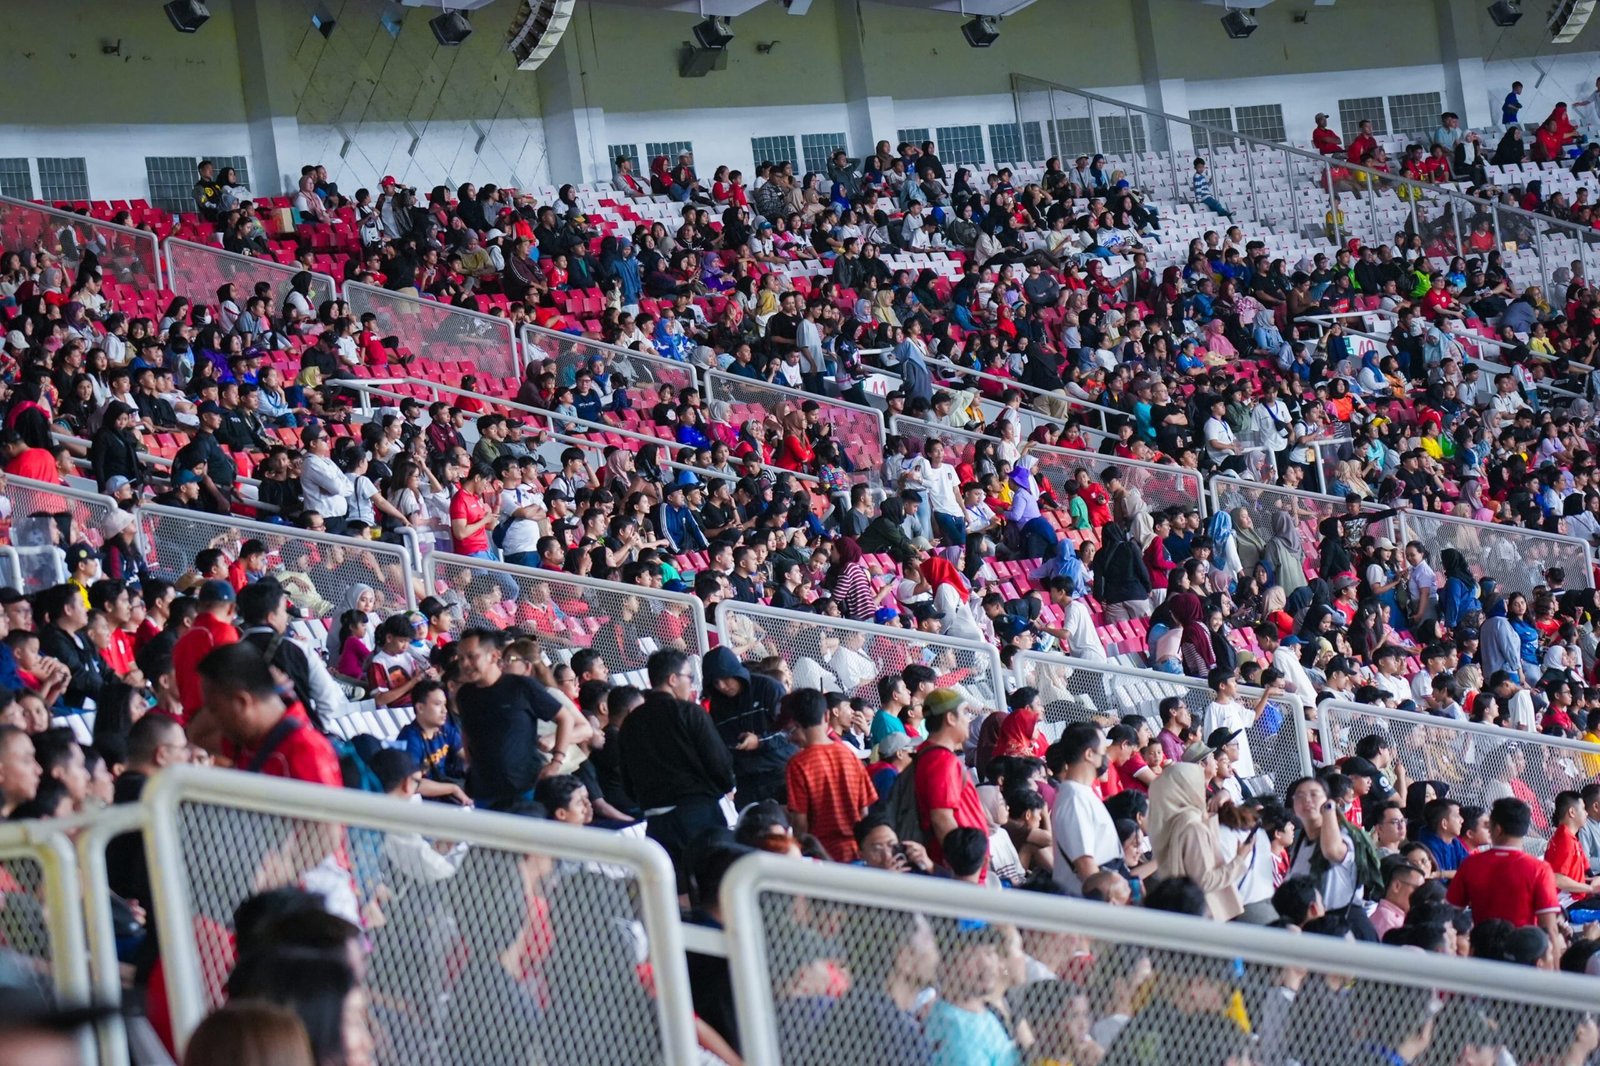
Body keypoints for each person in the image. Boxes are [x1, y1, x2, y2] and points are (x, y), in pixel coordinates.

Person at [618, 649, 736, 895]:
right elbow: (720, 764)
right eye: (689, 678)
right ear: (673, 679)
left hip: (657, 822)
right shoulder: (689, 712)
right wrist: (725, 786)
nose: (691, 685)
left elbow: (627, 783)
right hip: (700, 817)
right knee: (714, 890)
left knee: (676, 895)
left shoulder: (629, 723)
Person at [453, 627, 587, 810]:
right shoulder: (464, 695)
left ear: (493, 656)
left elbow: (566, 718)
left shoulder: (522, 686)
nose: (465, 664)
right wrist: (470, 764)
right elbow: (467, 732)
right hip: (484, 791)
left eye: (471, 656)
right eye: (460, 658)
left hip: (526, 788)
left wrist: (556, 762)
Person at [193, 643, 342, 786]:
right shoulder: (248, 739)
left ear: (242, 702)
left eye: (213, 709)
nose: (213, 719)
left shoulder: (306, 751)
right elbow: (197, 735)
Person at [1447, 798, 1563, 951]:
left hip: (1482, 953)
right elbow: (1549, 929)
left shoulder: (1471, 864)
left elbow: (1450, 914)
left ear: (1497, 829)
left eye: (1490, 824)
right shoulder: (1539, 869)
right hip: (1523, 955)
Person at [1147, 760, 1254, 920]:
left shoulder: (1171, 819)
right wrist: (1239, 859)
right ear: (1187, 789)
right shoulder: (1192, 827)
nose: (1203, 788)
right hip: (1206, 913)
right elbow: (1205, 881)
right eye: (1198, 782)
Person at [784, 688, 877, 861]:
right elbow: (864, 811)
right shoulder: (849, 755)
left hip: (823, 857)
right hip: (856, 852)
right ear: (826, 717)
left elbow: (800, 822)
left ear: (795, 723)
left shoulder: (798, 764)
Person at [912, 688, 988, 876]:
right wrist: (964, 870)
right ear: (950, 718)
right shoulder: (941, 760)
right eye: (964, 712)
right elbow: (941, 818)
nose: (968, 720)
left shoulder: (930, 753)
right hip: (961, 873)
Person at [1048, 722, 1119, 896]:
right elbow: (1085, 865)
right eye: (1103, 752)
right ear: (1089, 754)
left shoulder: (1081, 793)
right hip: (1090, 903)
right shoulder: (1074, 799)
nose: (1107, 758)